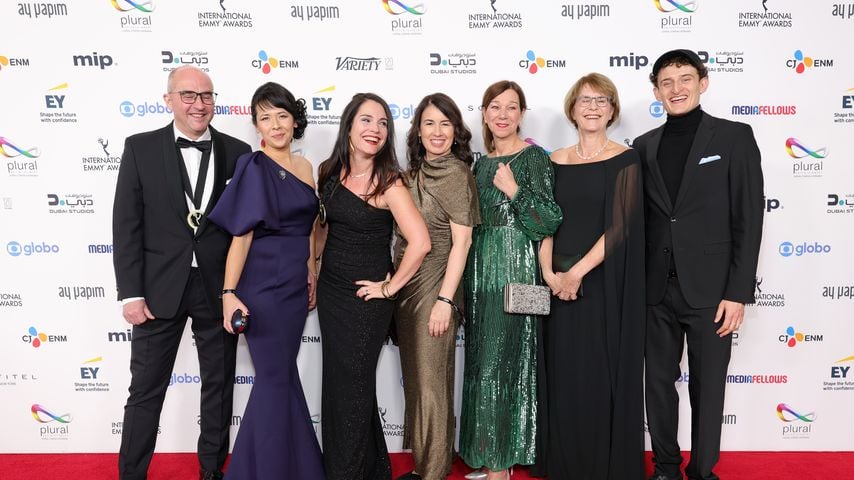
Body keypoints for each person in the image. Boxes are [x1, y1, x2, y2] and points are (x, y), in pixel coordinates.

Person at [112, 65, 251, 480]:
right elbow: (126, 224)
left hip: (217, 289)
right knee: (145, 392)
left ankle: (211, 472)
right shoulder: (140, 148)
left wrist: (236, 289)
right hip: (157, 290)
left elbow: (244, 229)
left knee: (218, 387)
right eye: (188, 95)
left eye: (206, 96)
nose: (199, 104)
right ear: (168, 99)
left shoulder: (239, 151)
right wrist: (130, 293)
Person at [635, 49, 763, 480]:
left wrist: (738, 291)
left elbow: (749, 217)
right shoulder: (644, 146)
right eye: (667, 82)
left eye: (685, 79)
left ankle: (703, 471)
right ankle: (667, 468)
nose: (677, 89)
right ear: (656, 90)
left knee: (709, 390)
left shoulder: (733, 137)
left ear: (702, 83)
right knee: (657, 386)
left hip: (712, 292)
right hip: (656, 290)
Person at [206, 82, 325, 479]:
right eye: (265, 117)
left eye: (282, 115)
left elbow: (309, 228)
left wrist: (310, 269)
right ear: (257, 125)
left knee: (282, 377)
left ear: (295, 120)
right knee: (275, 379)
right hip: (262, 286)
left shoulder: (307, 168)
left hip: (294, 285)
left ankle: (284, 468)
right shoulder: (253, 166)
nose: (275, 125)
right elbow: (241, 236)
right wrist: (228, 293)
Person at [315, 93, 431, 480]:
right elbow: (323, 230)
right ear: (349, 125)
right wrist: (312, 270)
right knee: (340, 386)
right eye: (366, 120)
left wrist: (389, 288)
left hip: (366, 301)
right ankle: (369, 469)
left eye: (383, 123)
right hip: (332, 293)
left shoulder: (389, 183)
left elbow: (421, 242)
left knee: (353, 389)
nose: (375, 130)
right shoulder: (329, 172)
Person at [537, 73, 645, 480]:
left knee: (599, 372)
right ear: (572, 108)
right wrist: (550, 273)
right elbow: (546, 221)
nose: (593, 107)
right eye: (585, 100)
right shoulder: (553, 160)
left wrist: (576, 273)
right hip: (557, 285)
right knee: (564, 374)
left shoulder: (626, 158)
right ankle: (565, 462)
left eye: (602, 100)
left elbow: (621, 225)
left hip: (601, 283)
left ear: (613, 110)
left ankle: (602, 464)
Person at [460, 81, 562, 480]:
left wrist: (515, 190)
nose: (503, 115)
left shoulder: (533, 157)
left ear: (522, 114)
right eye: (495, 107)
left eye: (512, 107)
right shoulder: (478, 163)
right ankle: (488, 454)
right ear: (484, 112)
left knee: (504, 366)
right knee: (481, 364)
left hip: (516, 269)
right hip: (478, 271)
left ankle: (501, 465)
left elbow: (550, 219)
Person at [393, 93, 481, 480]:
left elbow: (462, 242)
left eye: (445, 124)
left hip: (437, 288)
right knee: (416, 381)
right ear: (418, 131)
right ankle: (423, 464)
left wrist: (446, 299)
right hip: (406, 290)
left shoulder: (458, 174)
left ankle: (433, 471)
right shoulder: (409, 175)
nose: (438, 132)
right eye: (430, 123)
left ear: (456, 131)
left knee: (432, 384)